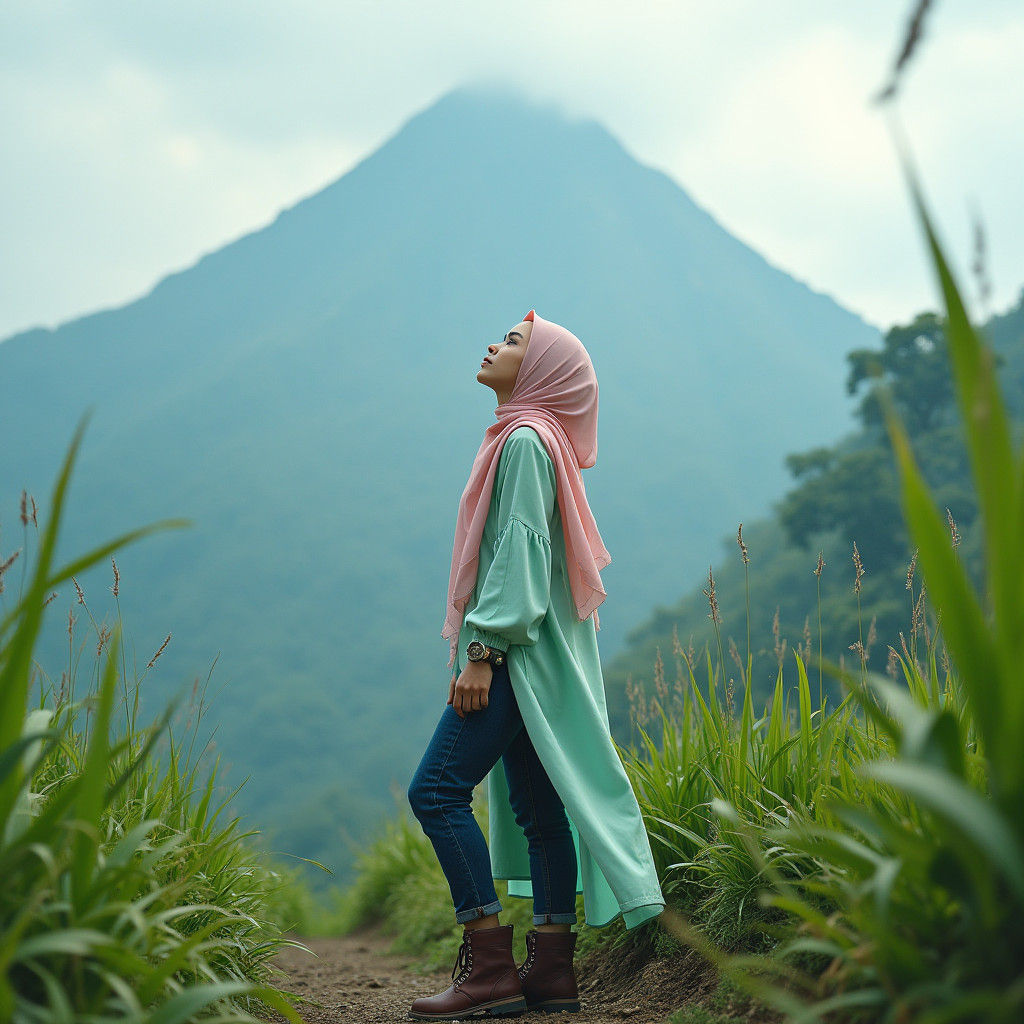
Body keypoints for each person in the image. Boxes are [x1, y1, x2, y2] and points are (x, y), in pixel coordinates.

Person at [407, 310, 665, 1020]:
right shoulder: (536, 440)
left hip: (515, 657)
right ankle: (552, 970)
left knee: (434, 791)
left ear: (542, 373)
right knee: (540, 809)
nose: (494, 345)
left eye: (513, 343)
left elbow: (519, 556)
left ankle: (487, 962)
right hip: (545, 659)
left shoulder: (522, 441)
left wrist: (482, 653)